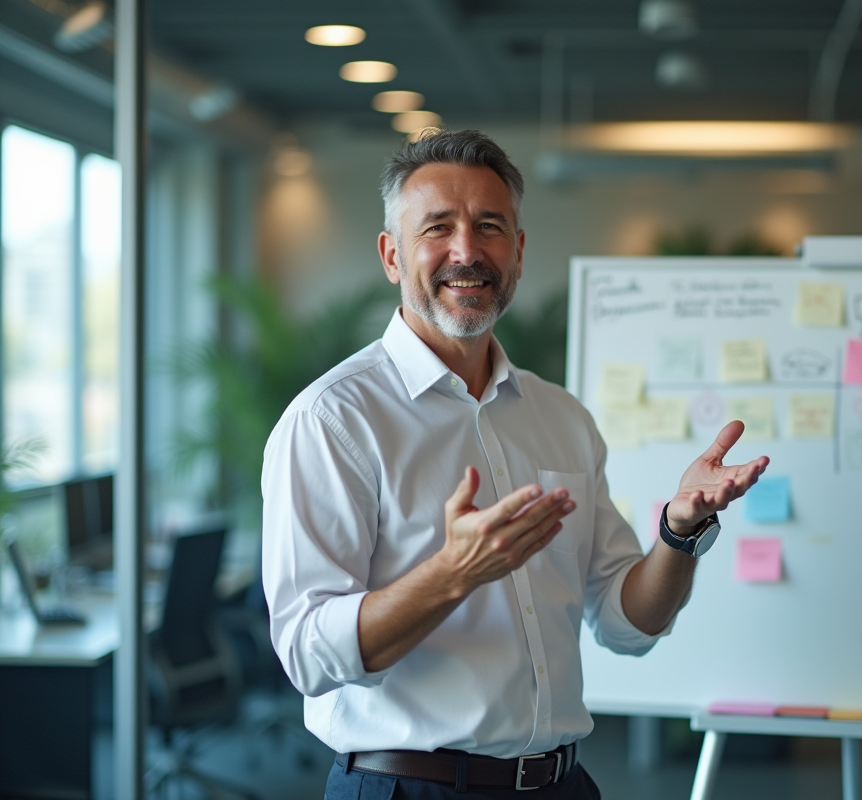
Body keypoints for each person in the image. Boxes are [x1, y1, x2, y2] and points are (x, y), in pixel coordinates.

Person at [261, 129, 769, 799]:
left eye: (489, 227)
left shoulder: (562, 419)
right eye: (437, 228)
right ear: (391, 255)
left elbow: (626, 624)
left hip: (562, 784)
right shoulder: (332, 420)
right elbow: (307, 653)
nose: (466, 251)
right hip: (409, 789)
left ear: (519, 252)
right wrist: (453, 573)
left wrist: (678, 532)